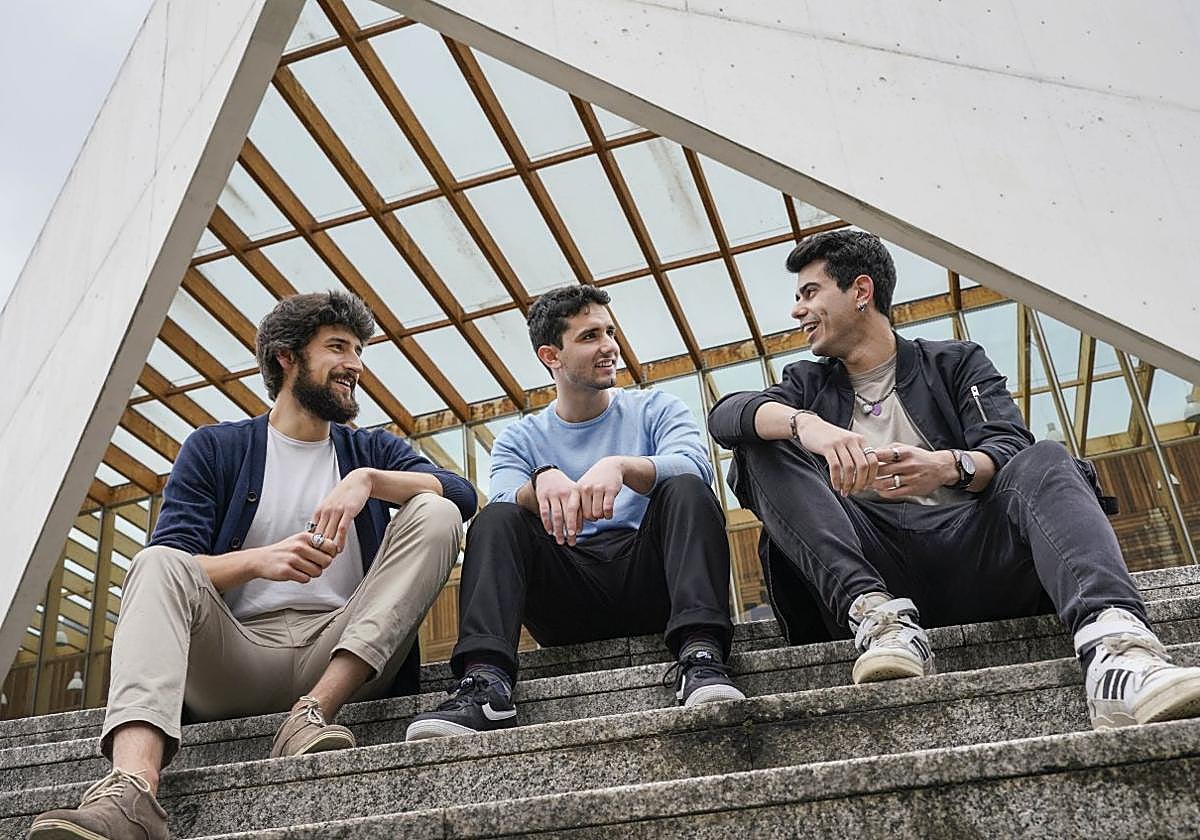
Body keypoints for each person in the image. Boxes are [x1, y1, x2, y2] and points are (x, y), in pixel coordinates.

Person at [707, 229, 1200, 729]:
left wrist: (948, 466)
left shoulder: (955, 362)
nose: (797, 310)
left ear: (861, 291)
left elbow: (1009, 446)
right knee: (760, 440)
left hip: (975, 550)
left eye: (809, 292)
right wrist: (807, 425)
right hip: (870, 564)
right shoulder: (807, 384)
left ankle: (1116, 652)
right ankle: (878, 619)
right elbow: (726, 416)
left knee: (1047, 456)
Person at [31, 291, 475, 840]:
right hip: (235, 655)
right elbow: (177, 564)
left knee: (435, 510)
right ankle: (132, 792)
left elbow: (463, 492)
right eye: (338, 348)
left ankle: (311, 715)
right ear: (286, 357)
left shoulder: (369, 451)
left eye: (359, 351)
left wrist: (368, 482)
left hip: (342, 653)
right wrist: (260, 561)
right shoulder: (216, 449)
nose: (354, 365)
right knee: (155, 561)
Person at [406, 284, 743, 740]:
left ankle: (702, 658)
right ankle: (485, 683)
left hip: (655, 581)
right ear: (552, 356)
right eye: (589, 337)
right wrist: (541, 478)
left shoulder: (655, 408)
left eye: (609, 332)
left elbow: (698, 466)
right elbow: (501, 502)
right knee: (496, 519)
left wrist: (623, 466)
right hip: (569, 591)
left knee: (684, 487)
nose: (609, 346)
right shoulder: (519, 439)